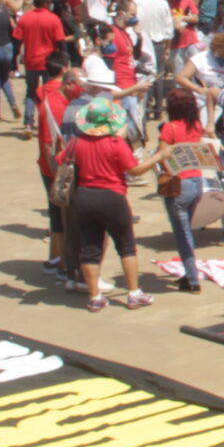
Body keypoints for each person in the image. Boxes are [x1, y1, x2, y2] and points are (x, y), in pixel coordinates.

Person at [63, 96, 157, 309]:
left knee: (90, 248)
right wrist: (159, 157)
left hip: (83, 197)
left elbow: (60, 160)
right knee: (126, 247)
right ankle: (134, 293)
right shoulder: (115, 143)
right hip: (112, 197)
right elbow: (135, 170)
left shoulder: (77, 142)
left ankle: (94, 297)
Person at [152, 87, 214, 293]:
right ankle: (189, 275)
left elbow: (162, 154)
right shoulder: (196, 126)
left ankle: (193, 279)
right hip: (196, 183)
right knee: (186, 231)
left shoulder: (169, 128)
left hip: (179, 185)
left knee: (183, 235)